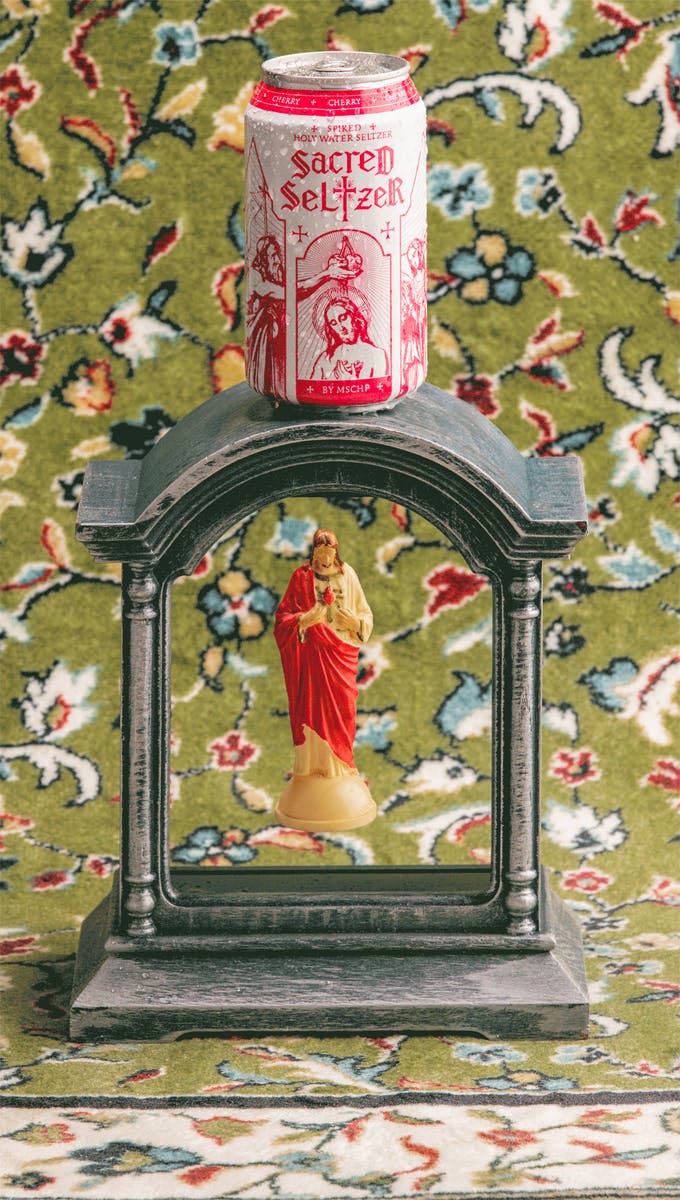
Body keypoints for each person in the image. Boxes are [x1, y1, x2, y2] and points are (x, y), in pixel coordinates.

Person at [274, 528, 376, 831]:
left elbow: (365, 614)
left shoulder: (348, 575)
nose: (324, 562)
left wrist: (354, 622)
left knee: (342, 709)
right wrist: (306, 620)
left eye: (328, 556)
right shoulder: (300, 578)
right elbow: (282, 619)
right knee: (311, 705)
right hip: (310, 659)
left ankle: (341, 767)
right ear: (313, 554)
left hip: (340, 655)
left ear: (336, 554)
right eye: (319, 557)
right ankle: (311, 769)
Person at [311, 293, 388, 381]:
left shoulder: (377, 354)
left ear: (354, 316)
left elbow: (381, 384)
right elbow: (312, 385)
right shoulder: (325, 358)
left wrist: (350, 378)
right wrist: (332, 377)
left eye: (343, 318)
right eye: (334, 323)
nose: (340, 327)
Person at [246, 233, 286, 398]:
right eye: (273, 255)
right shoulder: (256, 275)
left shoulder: (277, 273)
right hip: (261, 336)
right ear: (263, 258)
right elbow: (282, 293)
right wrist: (323, 276)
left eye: (278, 254)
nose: (277, 260)